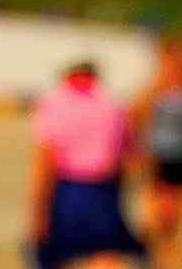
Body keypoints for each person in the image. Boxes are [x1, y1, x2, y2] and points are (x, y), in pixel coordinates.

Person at [26, 59, 150, 268]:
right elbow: (130, 159)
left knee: (58, 255)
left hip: (67, 190)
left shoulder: (54, 104)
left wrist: (37, 210)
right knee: (105, 254)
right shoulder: (111, 105)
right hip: (104, 189)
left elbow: (45, 161)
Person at [130, 36, 182, 269]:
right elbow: (134, 119)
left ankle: (172, 262)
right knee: (157, 217)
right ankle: (148, 257)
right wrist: (137, 156)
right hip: (158, 158)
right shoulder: (155, 88)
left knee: (178, 219)